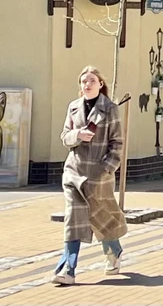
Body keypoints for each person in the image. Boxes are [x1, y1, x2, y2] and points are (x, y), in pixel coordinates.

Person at [52, 66, 127, 286]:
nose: (87, 84)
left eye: (92, 80)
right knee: (73, 219)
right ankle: (68, 269)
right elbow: (65, 136)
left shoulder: (110, 109)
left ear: (100, 84)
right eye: (84, 81)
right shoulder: (73, 107)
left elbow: (117, 143)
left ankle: (114, 252)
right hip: (74, 172)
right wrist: (78, 135)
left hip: (98, 175)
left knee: (101, 217)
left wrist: (106, 169)